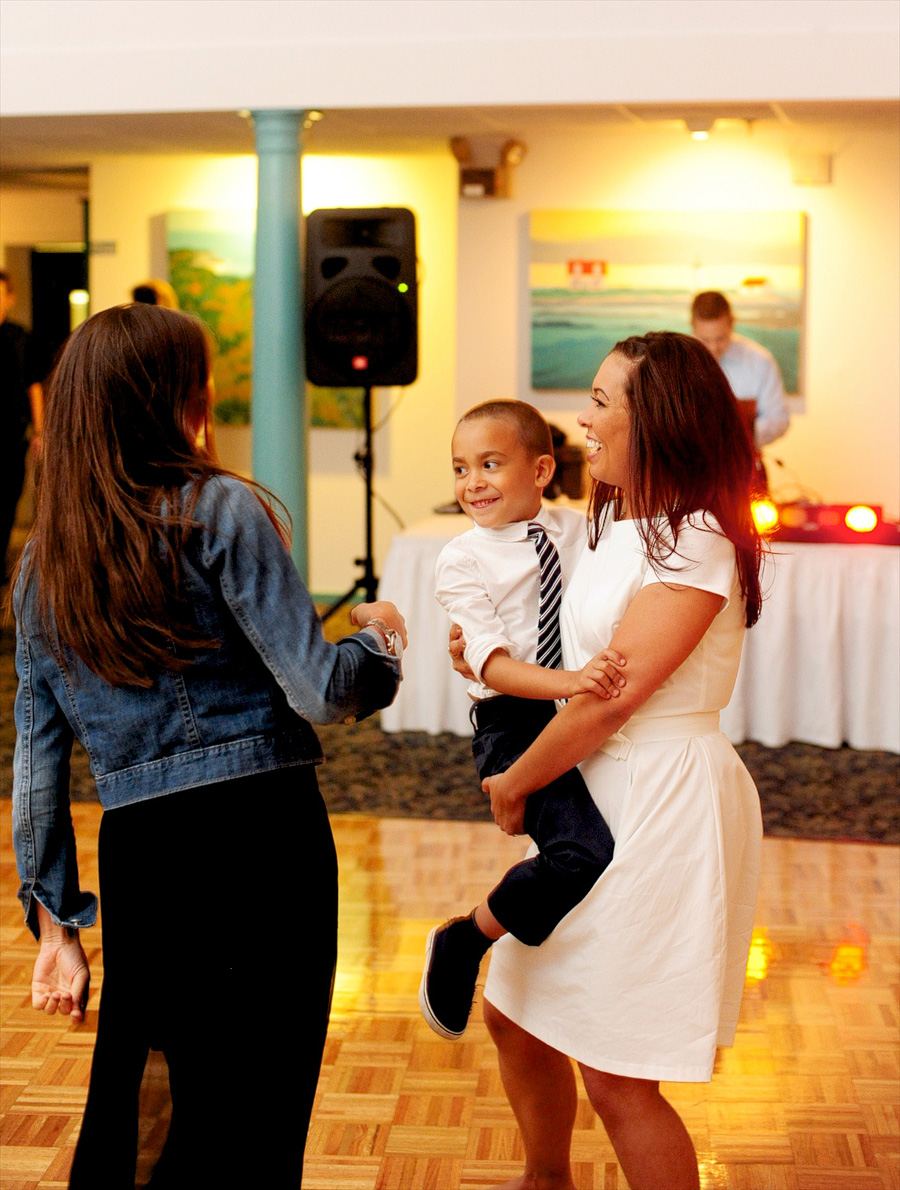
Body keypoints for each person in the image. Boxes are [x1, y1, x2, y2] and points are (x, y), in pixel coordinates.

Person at [11, 303, 406, 1189]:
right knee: (262, 1093)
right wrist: (380, 641)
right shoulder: (219, 509)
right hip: (262, 836)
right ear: (173, 396)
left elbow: (35, 765)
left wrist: (56, 921)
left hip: (143, 852)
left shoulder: (44, 562)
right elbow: (323, 688)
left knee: (152, 1091)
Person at [466, 332, 764, 1190]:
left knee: (619, 1072)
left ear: (658, 420)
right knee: (516, 1013)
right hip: (593, 791)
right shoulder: (615, 521)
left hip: (659, 799)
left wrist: (518, 783)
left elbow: (611, 699)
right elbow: (574, 665)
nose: (582, 420)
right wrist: (486, 656)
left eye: (601, 402)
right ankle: (545, 1181)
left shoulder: (697, 538)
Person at [420, 400, 622, 1040]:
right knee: (579, 852)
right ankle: (465, 938)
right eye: (460, 469)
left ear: (540, 471)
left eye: (489, 464)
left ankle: (569, 979)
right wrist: (573, 685)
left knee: (599, 847)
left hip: (575, 711)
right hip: (512, 721)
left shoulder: (575, 528)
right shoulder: (462, 559)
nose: (471, 482)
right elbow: (490, 664)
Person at [690, 290, 790, 449]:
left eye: (720, 338)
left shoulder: (760, 361)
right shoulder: (675, 362)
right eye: (705, 339)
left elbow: (779, 418)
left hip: (746, 467)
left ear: (732, 323)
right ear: (693, 326)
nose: (713, 347)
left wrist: (739, 435)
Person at [0, 269, 44, 579]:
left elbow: (34, 385)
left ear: (10, 298)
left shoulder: (20, 337)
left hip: (12, 435)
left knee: (8, 496)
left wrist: (40, 430)